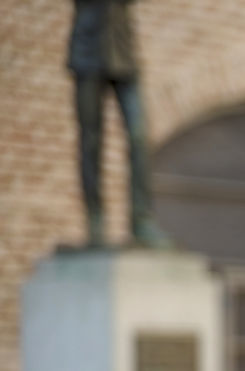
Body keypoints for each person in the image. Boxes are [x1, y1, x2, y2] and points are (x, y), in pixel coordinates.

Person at [68, 0, 170, 247]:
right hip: (88, 50)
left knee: (139, 136)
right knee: (91, 140)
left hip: (123, 51)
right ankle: (95, 221)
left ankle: (141, 220)